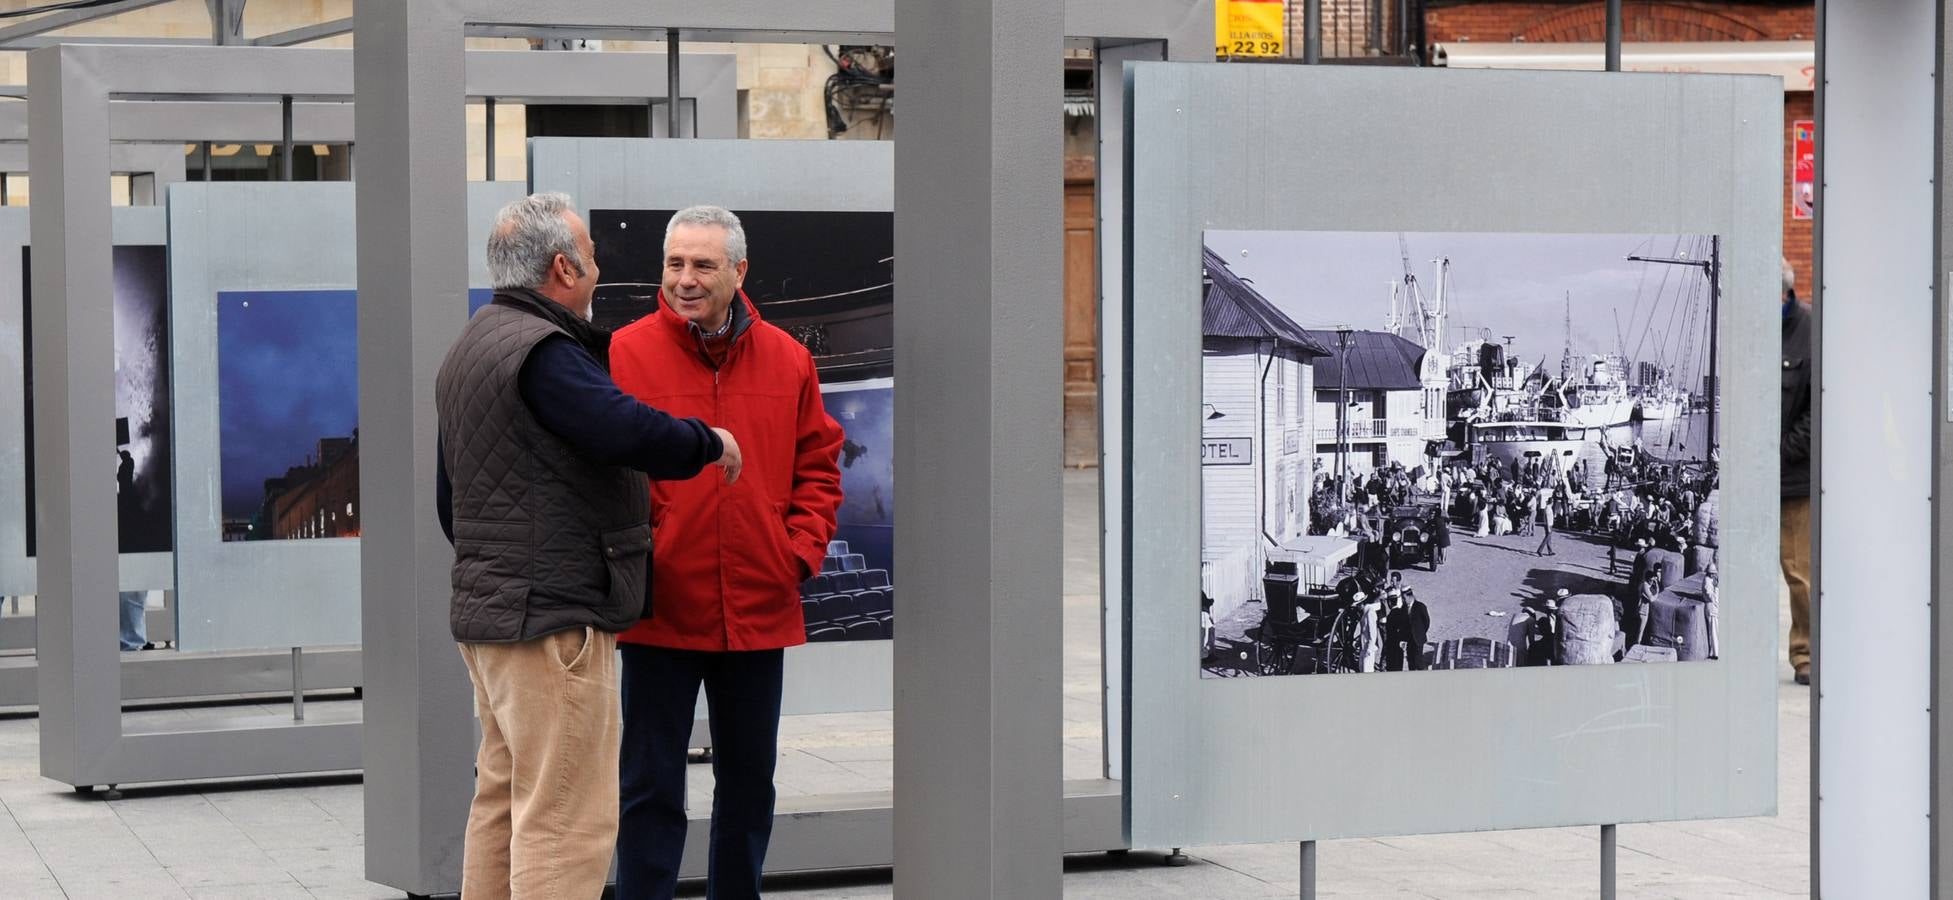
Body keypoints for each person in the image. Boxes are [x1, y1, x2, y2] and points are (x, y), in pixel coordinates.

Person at [433, 192, 739, 899]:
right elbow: (625, 428)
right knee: (565, 820)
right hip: (551, 621)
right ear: (564, 267)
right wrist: (707, 441)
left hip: (492, 614)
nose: (599, 271)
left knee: (504, 804)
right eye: (593, 257)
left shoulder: (474, 345)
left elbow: (453, 503)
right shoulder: (545, 353)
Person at [610, 206, 846, 900]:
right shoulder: (622, 352)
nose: (685, 279)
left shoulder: (787, 357)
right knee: (649, 784)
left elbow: (820, 464)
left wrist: (795, 553)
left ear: (738, 272)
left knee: (749, 781)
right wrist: (642, 552)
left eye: (702, 265)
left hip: (758, 603)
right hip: (661, 608)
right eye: (674, 263)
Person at [1781, 259, 1814, 685]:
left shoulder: (1809, 330)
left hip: (1792, 475)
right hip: (1754, 474)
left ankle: (1806, 655)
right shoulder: (1753, 331)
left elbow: (1816, 408)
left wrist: (1780, 452)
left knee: (1798, 571)